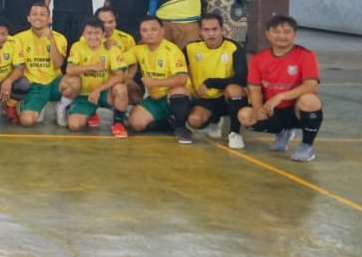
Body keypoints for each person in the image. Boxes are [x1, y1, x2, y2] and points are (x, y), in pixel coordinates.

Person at [237, 14, 323, 163]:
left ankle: (307, 145)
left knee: (310, 101)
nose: (282, 36)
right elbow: (255, 89)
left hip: (296, 109)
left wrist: (281, 96)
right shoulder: (258, 59)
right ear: (268, 34)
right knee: (245, 115)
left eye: (287, 32)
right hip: (273, 109)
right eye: (276, 31)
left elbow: (311, 85)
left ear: (294, 34)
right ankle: (282, 132)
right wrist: (258, 108)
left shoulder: (306, 55)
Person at [121, 16, 193, 143]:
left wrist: (155, 82)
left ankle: (181, 128)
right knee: (135, 124)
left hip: (175, 96)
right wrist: (108, 47)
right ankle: (168, 123)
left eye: (153, 29)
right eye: (144, 30)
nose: (149, 33)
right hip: (155, 98)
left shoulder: (172, 50)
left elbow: (182, 79)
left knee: (178, 91)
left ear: (162, 30)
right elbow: (117, 60)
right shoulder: (139, 50)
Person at [185, 13, 248, 149]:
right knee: (194, 120)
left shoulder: (234, 47)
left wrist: (211, 82)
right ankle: (214, 120)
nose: (211, 34)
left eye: (215, 29)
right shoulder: (191, 48)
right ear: (200, 32)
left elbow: (242, 78)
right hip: (205, 99)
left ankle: (234, 133)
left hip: (226, 97)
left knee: (234, 89)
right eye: (206, 30)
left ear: (222, 30)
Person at [58, 18, 129, 134]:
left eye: (97, 33)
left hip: (104, 93)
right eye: (89, 33)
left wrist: (98, 90)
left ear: (103, 34)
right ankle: (89, 112)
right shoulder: (77, 46)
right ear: (83, 34)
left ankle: (118, 121)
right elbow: (69, 69)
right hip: (84, 95)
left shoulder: (111, 48)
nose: (93, 37)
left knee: (121, 89)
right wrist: (92, 67)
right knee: (74, 125)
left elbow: (119, 76)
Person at [10, 3, 66, 128]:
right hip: (33, 85)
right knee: (26, 121)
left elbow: (58, 64)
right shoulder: (18, 38)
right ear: (28, 18)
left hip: (54, 83)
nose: (38, 17)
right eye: (34, 14)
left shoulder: (59, 37)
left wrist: (51, 39)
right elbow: (17, 67)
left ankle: (61, 107)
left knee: (74, 82)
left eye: (42, 14)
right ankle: (38, 105)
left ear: (49, 19)